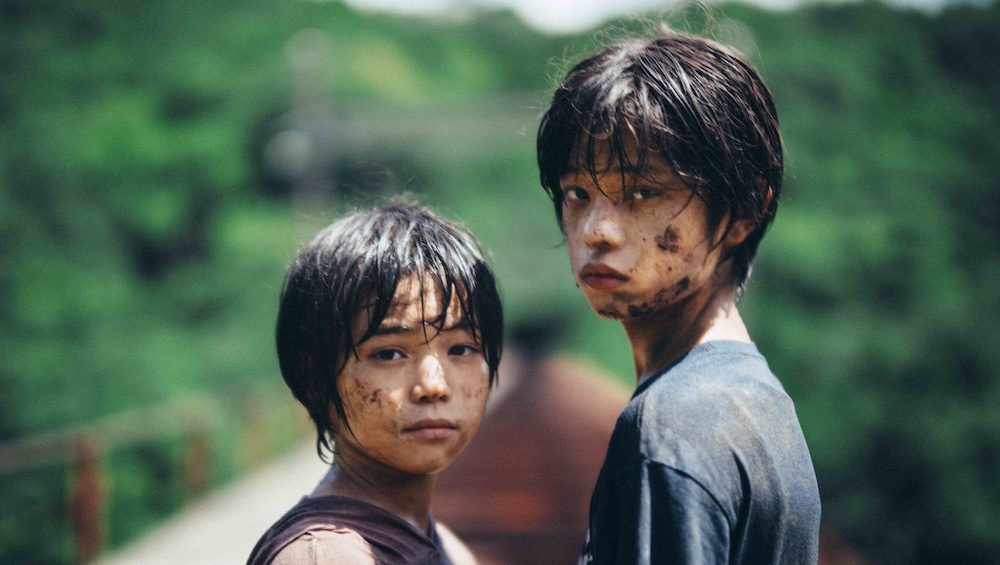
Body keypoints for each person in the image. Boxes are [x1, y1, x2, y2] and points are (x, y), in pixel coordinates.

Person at [536, 26, 822, 564]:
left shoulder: (669, 426)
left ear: (743, 211)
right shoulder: (758, 401)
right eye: (577, 193)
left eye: (642, 193)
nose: (596, 230)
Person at [247, 202, 503, 565]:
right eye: (389, 354)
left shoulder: (443, 545)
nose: (434, 385)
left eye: (461, 348)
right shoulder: (325, 556)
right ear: (314, 372)